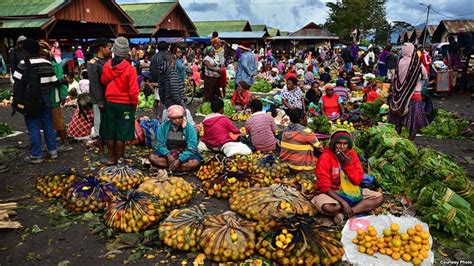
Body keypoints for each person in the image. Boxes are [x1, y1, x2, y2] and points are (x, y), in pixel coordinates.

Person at [312, 130, 384, 224]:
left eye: (345, 144)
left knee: (380, 198)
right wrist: (343, 202)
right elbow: (324, 186)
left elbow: (357, 180)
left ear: (348, 145)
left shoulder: (352, 155)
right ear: (333, 144)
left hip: (351, 191)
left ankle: (346, 213)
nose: (342, 147)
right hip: (332, 192)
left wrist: (347, 165)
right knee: (329, 207)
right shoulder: (325, 157)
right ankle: (350, 208)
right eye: (338, 143)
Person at [13, 39, 58, 163]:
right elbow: (53, 80)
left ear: (25, 50)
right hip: (46, 98)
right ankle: (53, 151)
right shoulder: (46, 63)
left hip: (30, 100)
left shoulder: (23, 63)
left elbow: (16, 80)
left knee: (33, 125)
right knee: (48, 124)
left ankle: (36, 155)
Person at [101, 37, 139, 165]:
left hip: (110, 103)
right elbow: (133, 91)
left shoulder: (107, 65)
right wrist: (134, 105)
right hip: (125, 105)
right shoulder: (130, 69)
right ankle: (120, 158)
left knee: (110, 132)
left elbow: (103, 81)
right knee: (122, 133)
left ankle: (111, 158)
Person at [388, 43, 428, 140]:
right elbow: (425, 76)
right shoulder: (417, 63)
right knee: (415, 124)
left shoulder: (399, 62)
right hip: (414, 96)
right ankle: (409, 142)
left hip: (400, 97)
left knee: (398, 123)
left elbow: (395, 77)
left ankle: (396, 142)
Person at [38, 41, 73, 152]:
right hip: (45, 97)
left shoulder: (53, 65)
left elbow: (61, 82)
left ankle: (65, 143)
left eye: (43, 53)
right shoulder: (46, 64)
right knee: (50, 120)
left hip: (54, 96)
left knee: (57, 120)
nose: (42, 55)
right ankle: (55, 141)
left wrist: (63, 95)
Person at [149, 105, 202, 172]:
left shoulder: (189, 128)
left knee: (194, 163)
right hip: (169, 152)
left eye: (180, 118)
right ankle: (179, 168)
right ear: (170, 118)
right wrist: (168, 155)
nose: (177, 120)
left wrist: (180, 160)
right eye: (174, 118)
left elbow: (192, 148)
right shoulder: (163, 127)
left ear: (183, 117)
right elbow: (160, 145)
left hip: (185, 153)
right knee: (153, 157)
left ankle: (171, 168)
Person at [87, 38, 112, 163]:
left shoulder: (108, 61)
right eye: (109, 48)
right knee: (98, 125)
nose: (110, 50)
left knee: (108, 125)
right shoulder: (93, 63)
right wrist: (100, 101)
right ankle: (101, 152)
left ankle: (109, 150)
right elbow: (95, 84)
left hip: (109, 98)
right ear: (101, 48)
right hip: (99, 100)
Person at [280, 108, 324, 172]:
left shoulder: (286, 129)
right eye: (306, 117)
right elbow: (320, 149)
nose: (307, 119)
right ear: (301, 120)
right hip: (300, 167)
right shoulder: (306, 132)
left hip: (285, 164)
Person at [150, 41, 170, 115]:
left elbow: (151, 69)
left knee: (156, 98)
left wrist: (153, 80)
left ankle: (155, 114)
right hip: (164, 81)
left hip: (155, 81)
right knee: (163, 99)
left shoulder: (153, 57)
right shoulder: (167, 57)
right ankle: (162, 116)